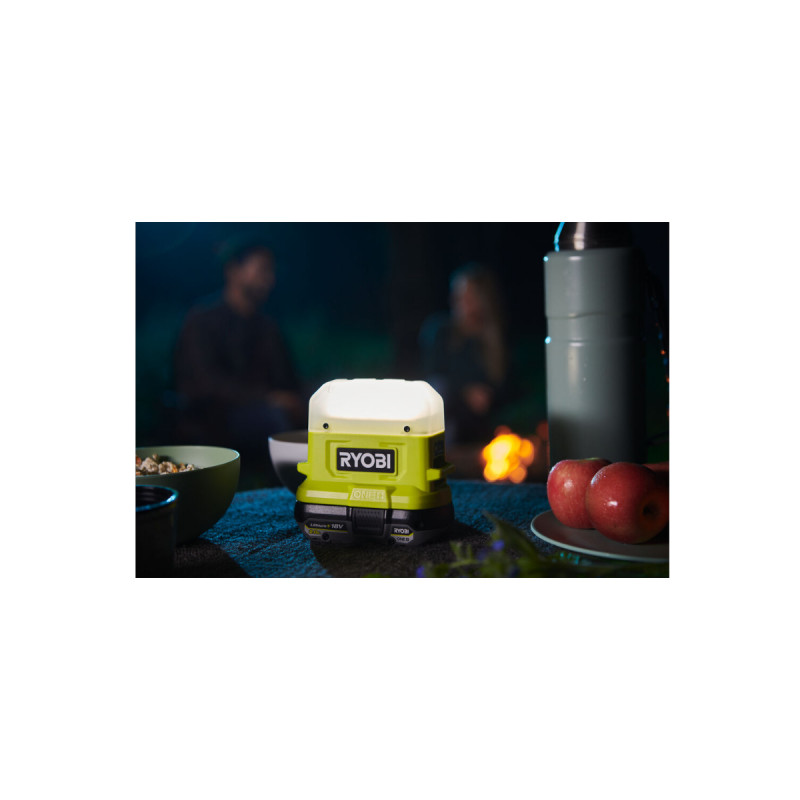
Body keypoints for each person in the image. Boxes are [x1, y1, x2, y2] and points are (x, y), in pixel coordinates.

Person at [174, 236, 305, 457]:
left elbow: (288, 379)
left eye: (271, 272)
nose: (269, 279)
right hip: (216, 417)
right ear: (234, 271)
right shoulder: (202, 321)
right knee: (274, 419)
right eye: (262, 270)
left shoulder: (267, 327)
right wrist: (268, 398)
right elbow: (203, 383)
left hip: (266, 409)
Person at [419, 263, 508, 445]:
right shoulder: (440, 331)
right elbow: (434, 374)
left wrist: (489, 395)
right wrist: (465, 391)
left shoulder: (496, 338)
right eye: (458, 296)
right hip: (451, 411)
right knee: (441, 392)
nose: (460, 302)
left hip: (485, 417)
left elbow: (508, 384)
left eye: (469, 296)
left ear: (482, 298)